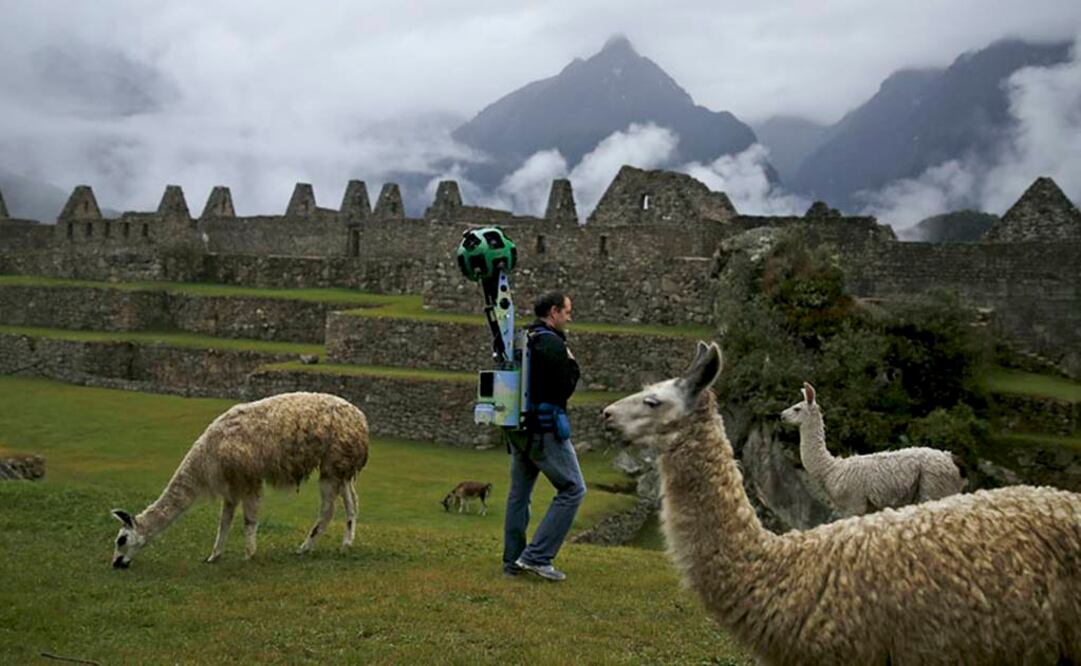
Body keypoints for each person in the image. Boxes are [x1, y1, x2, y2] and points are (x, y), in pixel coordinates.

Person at [502, 291, 586, 582]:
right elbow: (564, 386)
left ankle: (512, 561)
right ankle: (537, 557)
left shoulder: (522, 337)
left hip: (520, 430)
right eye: (566, 312)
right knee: (573, 489)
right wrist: (572, 363)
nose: (569, 317)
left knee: (519, 495)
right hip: (545, 430)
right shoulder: (551, 343)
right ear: (553, 312)